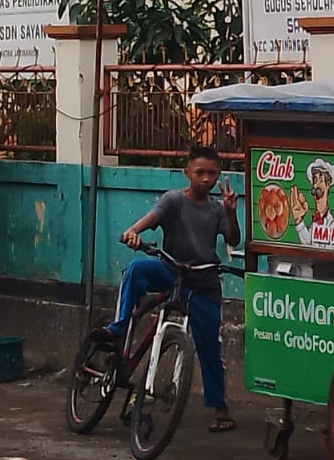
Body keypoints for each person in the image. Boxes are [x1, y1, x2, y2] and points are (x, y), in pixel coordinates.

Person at [96, 145, 241, 433]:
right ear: (187, 172)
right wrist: (134, 231)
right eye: (200, 172)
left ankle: (219, 407)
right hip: (170, 271)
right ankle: (119, 327)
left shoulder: (216, 208)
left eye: (212, 173)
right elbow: (152, 218)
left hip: (202, 282)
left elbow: (233, 238)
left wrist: (231, 212)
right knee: (137, 269)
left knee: (210, 347)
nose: (206, 179)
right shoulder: (173, 200)